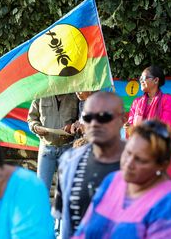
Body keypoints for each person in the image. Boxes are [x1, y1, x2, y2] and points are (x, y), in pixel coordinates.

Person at [73, 120, 171, 238]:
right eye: (128, 153)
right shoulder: (113, 181)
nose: (129, 163)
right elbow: (83, 231)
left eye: (140, 159)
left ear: (162, 165)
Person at [55, 92, 126, 239]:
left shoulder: (143, 162)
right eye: (88, 118)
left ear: (122, 120)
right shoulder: (69, 162)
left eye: (103, 117)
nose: (94, 123)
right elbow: (66, 220)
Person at [125, 65, 171, 184]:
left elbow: (165, 127)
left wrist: (137, 130)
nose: (141, 81)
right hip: (140, 155)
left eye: (144, 78)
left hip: (161, 153)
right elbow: (130, 130)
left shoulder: (167, 100)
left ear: (156, 80)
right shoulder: (136, 103)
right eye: (140, 78)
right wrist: (128, 128)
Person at [28, 94, 79, 190]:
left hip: (68, 148)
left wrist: (73, 126)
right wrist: (35, 127)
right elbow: (31, 119)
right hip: (46, 148)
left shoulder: (75, 96)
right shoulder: (41, 95)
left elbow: (80, 120)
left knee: (64, 189)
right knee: (41, 188)